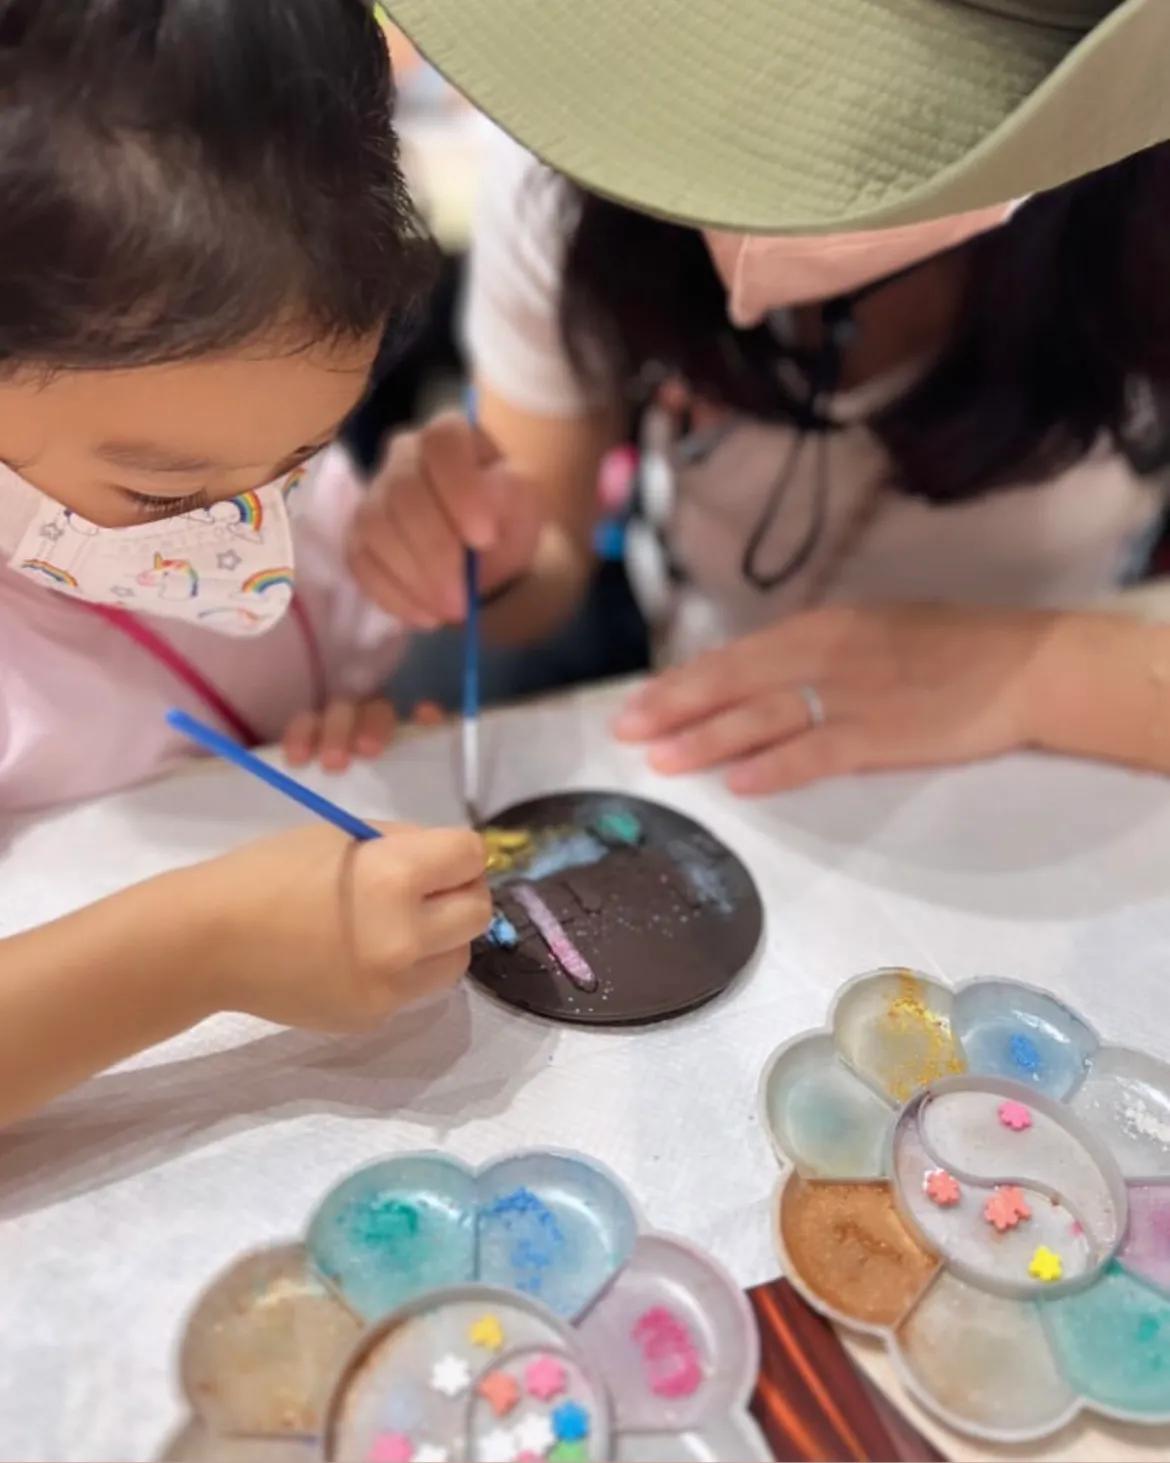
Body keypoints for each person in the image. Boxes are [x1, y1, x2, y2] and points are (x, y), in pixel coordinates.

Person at [365, 0, 1170, 796]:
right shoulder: (568, 161)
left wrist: (1025, 671)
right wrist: (482, 552)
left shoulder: (1139, 205)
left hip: (1074, 766)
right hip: (714, 746)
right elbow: (541, 568)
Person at [0, 0, 489, 1124]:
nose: (252, 548)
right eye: (165, 494)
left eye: (307, 457)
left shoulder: (232, 437)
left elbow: (306, 663)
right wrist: (196, 952)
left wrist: (333, 728)